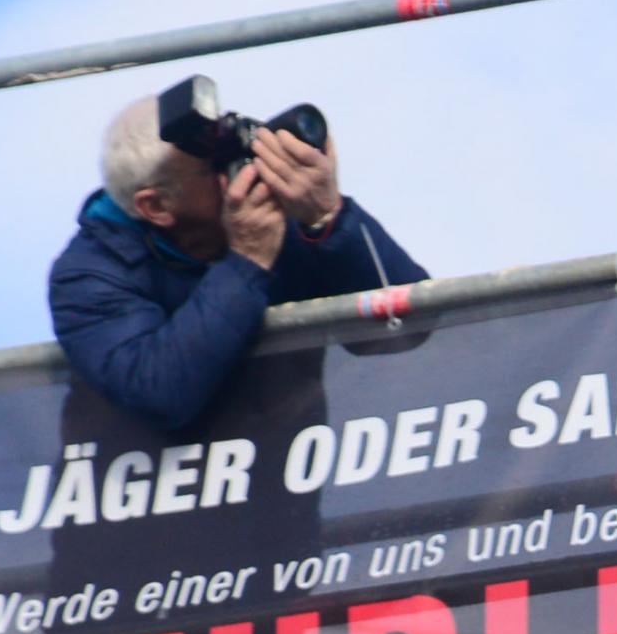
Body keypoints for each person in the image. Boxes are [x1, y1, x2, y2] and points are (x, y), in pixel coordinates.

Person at [48, 86, 423, 437]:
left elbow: (406, 330)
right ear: (157, 205)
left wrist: (328, 218)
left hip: (283, 476)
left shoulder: (275, 221)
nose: (246, 167)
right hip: (156, 483)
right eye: (217, 164)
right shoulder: (87, 274)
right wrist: (246, 261)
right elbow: (159, 392)